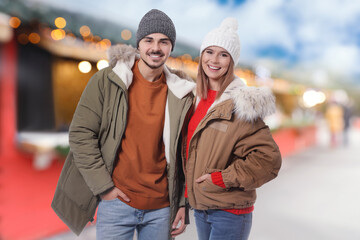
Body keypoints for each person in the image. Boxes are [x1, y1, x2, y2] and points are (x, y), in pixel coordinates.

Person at [51, 9, 196, 240]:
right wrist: (104, 188)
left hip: (161, 208)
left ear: (171, 47)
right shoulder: (107, 80)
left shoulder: (182, 94)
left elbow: (185, 154)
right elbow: (80, 134)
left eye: (164, 41)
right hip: (117, 203)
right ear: (139, 44)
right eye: (149, 40)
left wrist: (181, 203)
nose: (156, 48)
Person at [184, 18, 282, 240]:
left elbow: (269, 159)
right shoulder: (195, 99)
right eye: (209, 52)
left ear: (232, 61)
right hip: (202, 207)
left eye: (223, 54)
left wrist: (221, 179)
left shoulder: (242, 104)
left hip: (229, 211)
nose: (214, 60)